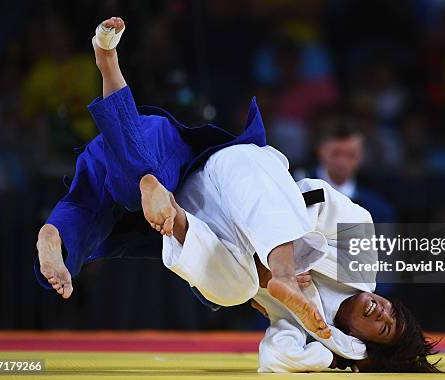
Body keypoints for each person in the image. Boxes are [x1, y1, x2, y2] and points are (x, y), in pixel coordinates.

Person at [34, 17, 330, 339]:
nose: (378, 310)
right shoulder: (324, 215)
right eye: (389, 319)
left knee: (84, 204)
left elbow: (240, 280)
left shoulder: (317, 312)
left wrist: (269, 296)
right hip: (154, 155)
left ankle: (55, 232)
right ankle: (143, 175)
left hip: (129, 175)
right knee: (138, 179)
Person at [155, 171, 440, 373]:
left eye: (385, 327)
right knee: (249, 278)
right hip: (248, 190)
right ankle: (277, 268)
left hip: (205, 223)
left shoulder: (314, 330)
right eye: (393, 311)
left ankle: (175, 218)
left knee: (234, 291)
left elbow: (274, 358)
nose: (383, 312)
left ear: (361, 344)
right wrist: (283, 255)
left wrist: (333, 357)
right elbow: (318, 194)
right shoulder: (361, 264)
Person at [303, 122, 395, 223]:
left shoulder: (378, 210)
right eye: (336, 153)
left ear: (361, 156)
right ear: (321, 151)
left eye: (351, 155)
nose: (342, 162)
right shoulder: (298, 192)